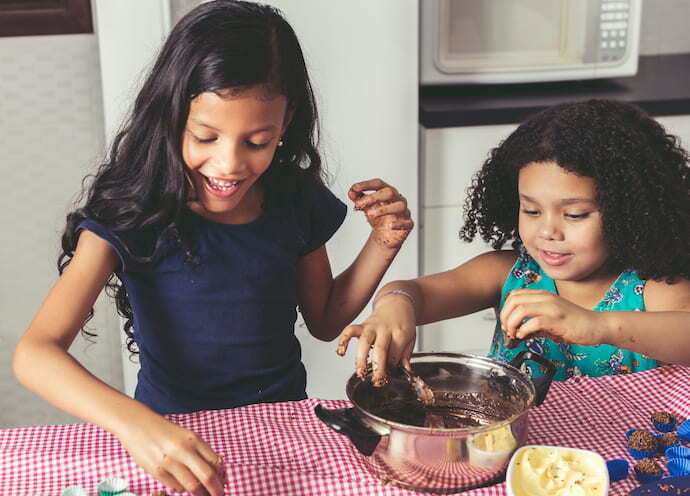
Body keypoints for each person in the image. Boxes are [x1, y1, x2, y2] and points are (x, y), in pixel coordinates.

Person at [12, 2, 413, 495]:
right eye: (205, 136)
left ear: (284, 125)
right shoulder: (133, 212)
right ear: (171, 116)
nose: (228, 165)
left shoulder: (293, 197)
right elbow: (35, 354)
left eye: (257, 142)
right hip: (171, 440)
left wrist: (382, 243)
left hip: (281, 429)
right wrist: (137, 425)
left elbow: (326, 318)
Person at [338, 99, 690, 387]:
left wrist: (596, 326)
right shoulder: (508, 273)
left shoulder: (653, 292)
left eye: (576, 215)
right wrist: (395, 306)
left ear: (628, 212)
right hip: (516, 450)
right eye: (532, 210)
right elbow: (414, 292)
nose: (548, 231)